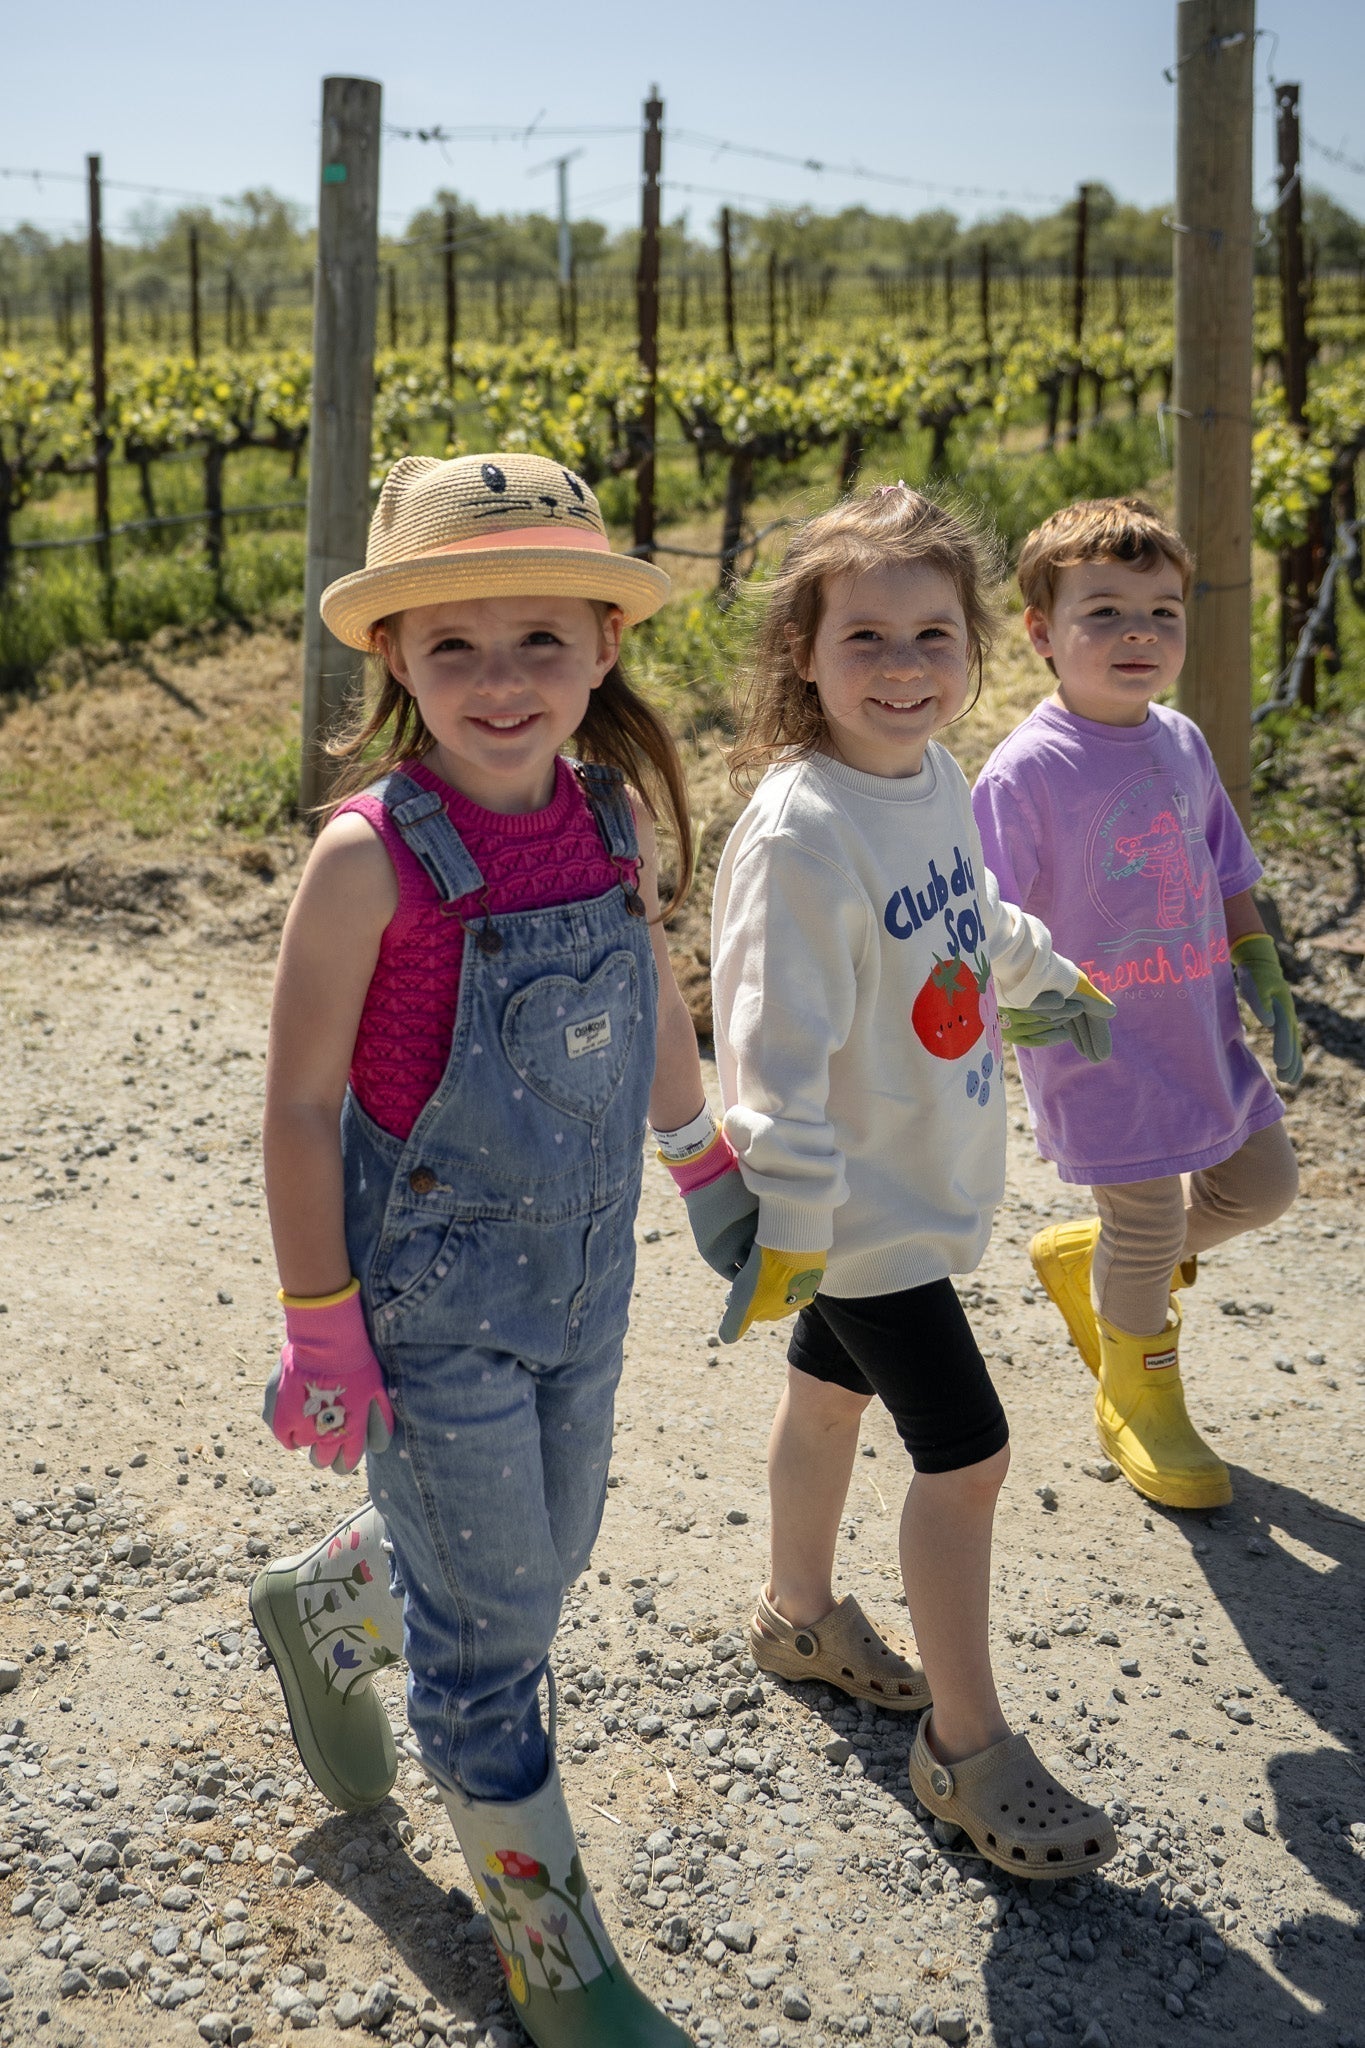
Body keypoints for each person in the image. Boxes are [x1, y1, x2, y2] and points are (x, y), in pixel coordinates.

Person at [250, 451, 710, 2047]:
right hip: (430, 1306)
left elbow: (644, 986)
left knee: (543, 1557)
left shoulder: (604, 812)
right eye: (454, 648)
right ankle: (559, 1963)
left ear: (602, 645)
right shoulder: (371, 857)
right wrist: (323, 1319)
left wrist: (701, 1153)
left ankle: (335, 1605)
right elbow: (302, 1109)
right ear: (392, 660)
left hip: (587, 1286)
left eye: (539, 644)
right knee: (499, 1637)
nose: (501, 683)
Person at [706, 481, 1119, 1881]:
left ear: (973, 649)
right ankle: (966, 1744)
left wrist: (1042, 975)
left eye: (931, 635)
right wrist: (798, 1234)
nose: (902, 666)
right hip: (857, 1213)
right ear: (801, 659)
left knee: (828, 1397)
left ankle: (800, 1613)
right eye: (865, 636)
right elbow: (767, 1056)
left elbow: (962, 913)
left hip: (903, 1181)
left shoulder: (930, 774)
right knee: (971, 1455)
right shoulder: (801, 832)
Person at [972, 497, 1300, 1512]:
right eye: (1105, 611)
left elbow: (1224, 861)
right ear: (1041, 632)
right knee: (1151, 1217)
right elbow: (982, 931)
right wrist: (1012, 1036)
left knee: (1265, 1184)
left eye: (1161, 612)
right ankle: (1138, 1395)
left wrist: (1258, 958)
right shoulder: (1025, 772)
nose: (1138, 635)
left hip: (1198, 1031)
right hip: (1099, 1050)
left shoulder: (1184, 740)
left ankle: (1106, 1261)